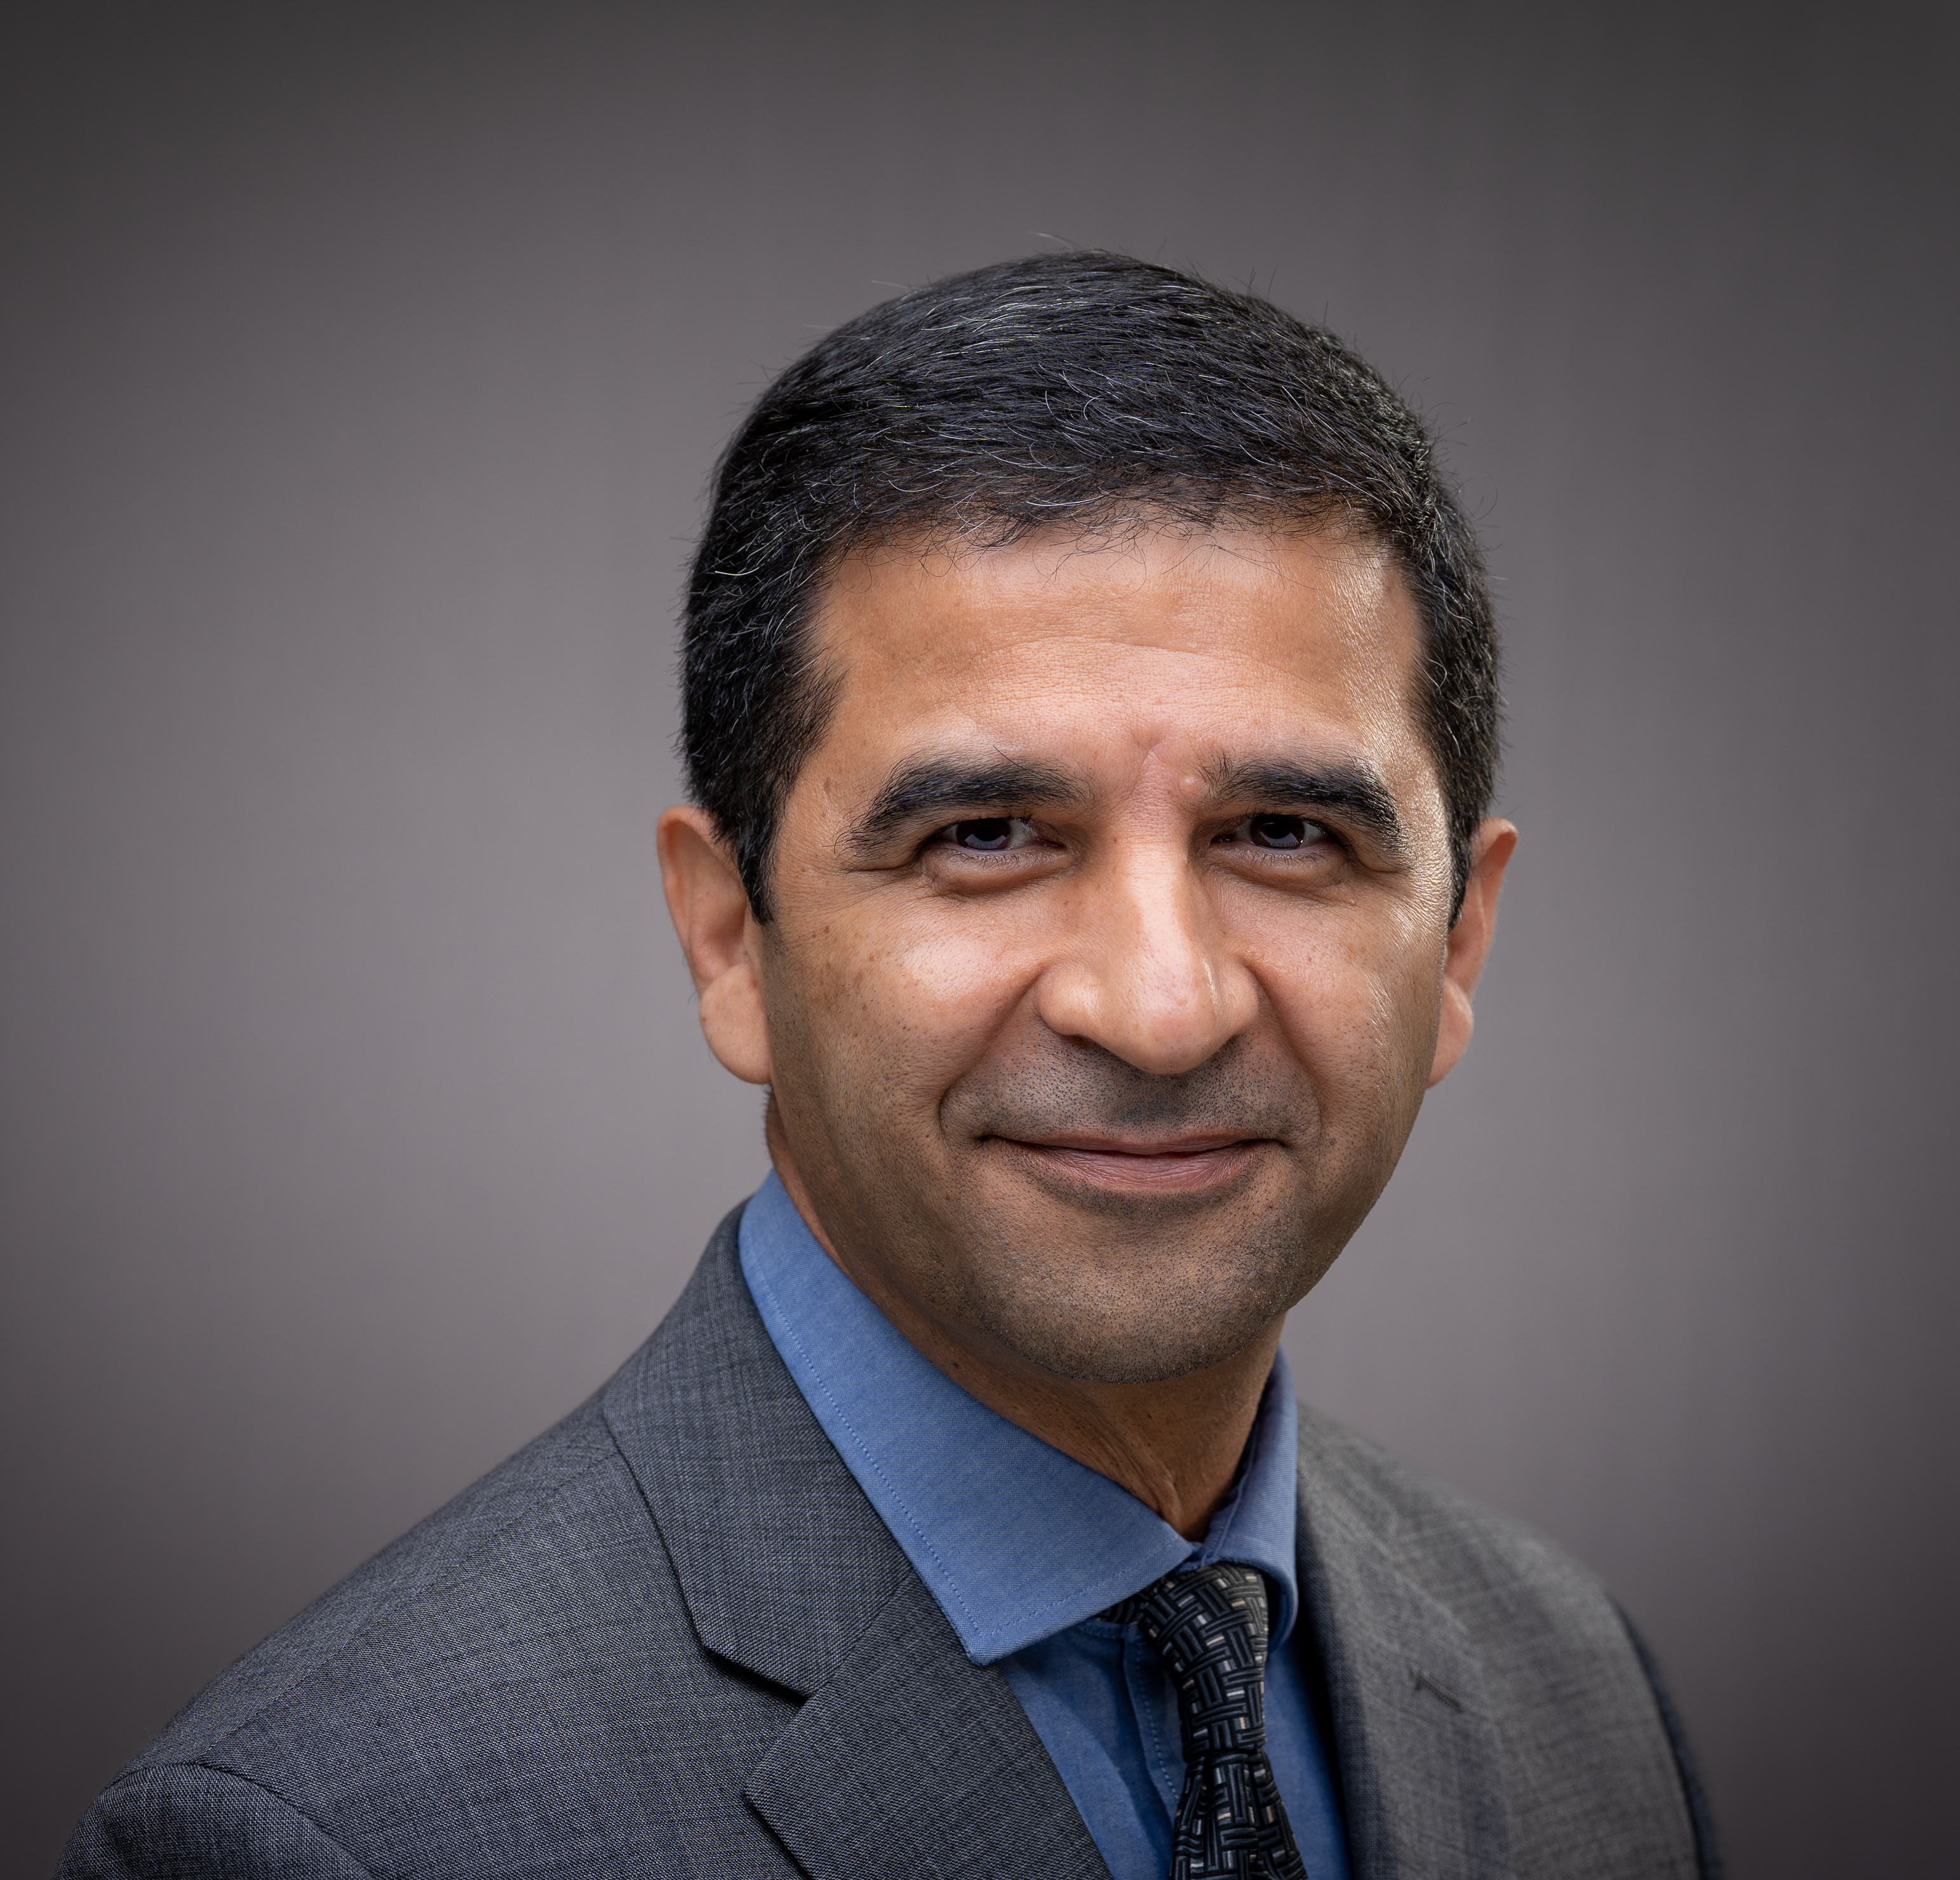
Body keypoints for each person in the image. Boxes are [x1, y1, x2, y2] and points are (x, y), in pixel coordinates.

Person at [62, 254, 1719, 1879]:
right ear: (732, 942)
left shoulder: (1574, 1685)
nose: (1160, 1008)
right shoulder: (323, 1834)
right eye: (986, 835)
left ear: (1456, 943)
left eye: (1283, 834)